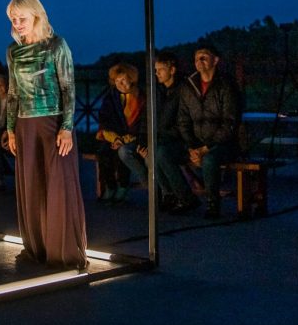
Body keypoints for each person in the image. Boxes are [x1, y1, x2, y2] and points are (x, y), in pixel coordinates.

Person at [4, 0, 88, 268]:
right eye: (13, 19)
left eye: (22, 18)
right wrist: (11, 129)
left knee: (58, 186)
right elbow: (13, 93)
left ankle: (63, 253)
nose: (17, 24)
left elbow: (68, 88)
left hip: (53, 125)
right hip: (25, 126)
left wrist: (67, 127)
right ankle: (36, 248)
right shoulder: (13, 51)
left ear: (36, 16)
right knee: (32, 187)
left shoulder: (56, 45)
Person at [178, 43, 242, 219]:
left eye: (204, 57)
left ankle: (213, 203)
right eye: (196, 58)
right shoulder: (189, 86)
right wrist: (192, 146)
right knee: (164, 154)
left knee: (210, 158)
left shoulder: (226, 85)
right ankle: (183, 197)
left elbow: (230, 122)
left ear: (215, 60)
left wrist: (206, 147)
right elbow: (183, 119)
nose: (199, 61)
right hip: (196, 143)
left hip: (222, 144)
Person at [147, 51, 201, 214]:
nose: (157, 73)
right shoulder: (159, 90)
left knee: (161, 153)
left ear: (172, 70)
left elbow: (186, 120)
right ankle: (169, 194)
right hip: (166, 138)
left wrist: (165, 135)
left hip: (184, 140)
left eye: (161, 70)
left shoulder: (184, 90)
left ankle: (185, 197)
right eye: (156, 70)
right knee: (151, 154)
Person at [95, 62, 147, 204]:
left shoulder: (142, 97)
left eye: (123, 80)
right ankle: (110, 186)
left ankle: (123, 186)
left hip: (134, 137)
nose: (120, 84)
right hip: (114, 136)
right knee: (103, 152)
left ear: (131, 79)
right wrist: (116, 138)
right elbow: (105, 119)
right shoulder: (111, 97)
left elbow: (142, 124)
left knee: (122, 153)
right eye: (117, 81)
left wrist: (124, 140)